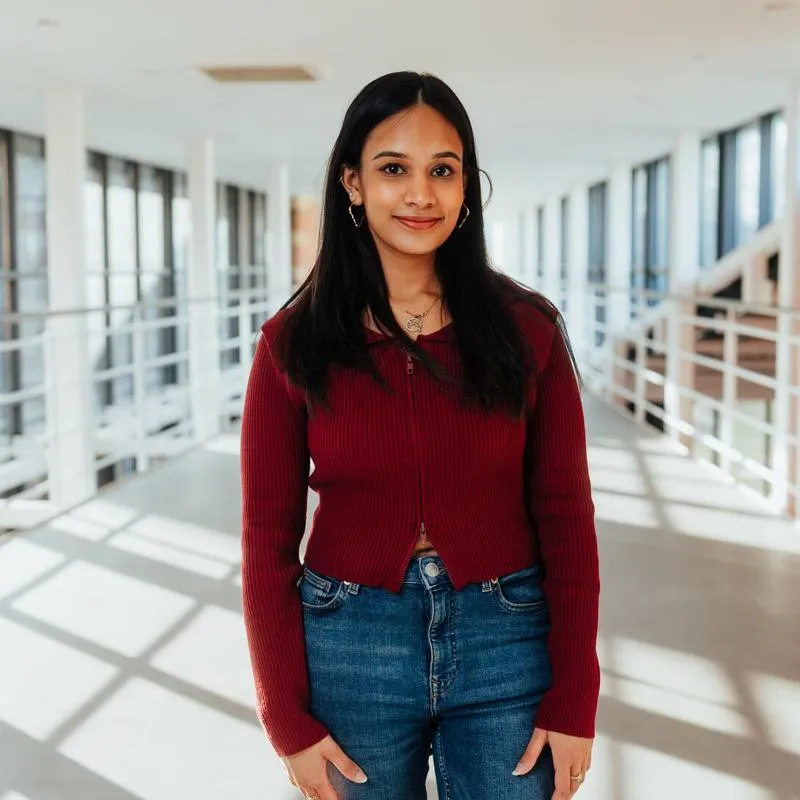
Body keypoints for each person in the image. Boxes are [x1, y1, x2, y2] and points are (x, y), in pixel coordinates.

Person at [240, 71, 600, 800]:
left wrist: (575, 698)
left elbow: (566, 516)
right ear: (352, 183)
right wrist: (284, 718)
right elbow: (265, 538)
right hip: (350, 645)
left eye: (442, 170)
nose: (420, 194)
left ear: (466, 186)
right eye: (392, 169)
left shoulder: (528, 330)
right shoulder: (292, 343)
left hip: (508, 641)